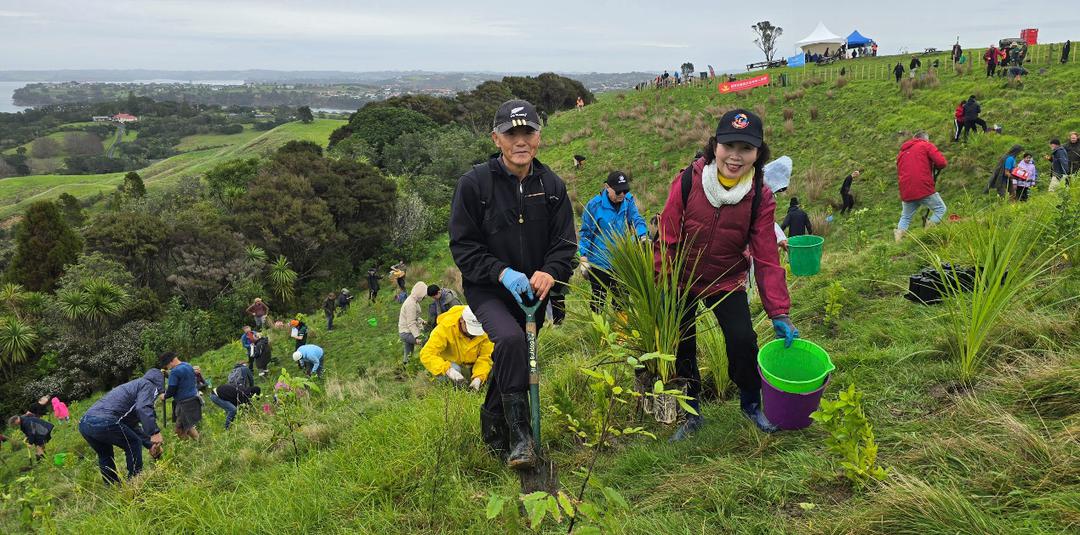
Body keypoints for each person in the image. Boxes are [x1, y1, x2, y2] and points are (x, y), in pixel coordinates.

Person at [449, 99, 576, 470]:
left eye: (528, 132)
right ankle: (522, 439)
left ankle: (492, 434)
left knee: (512, 356)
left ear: (538, 137)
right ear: (496, 139)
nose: (520, 141)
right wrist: (501, 272)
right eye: (511, 133)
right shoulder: (475, 184)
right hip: (489, 288)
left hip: (532, 292)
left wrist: (550, 271)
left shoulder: (552, 186)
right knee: (509, 341)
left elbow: (565, 244)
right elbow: (463, 246)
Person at [655, 109, 797, 440]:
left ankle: (751, 404)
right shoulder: (688, 181)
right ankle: (690, 413)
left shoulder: (760, 195)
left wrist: (779, 311)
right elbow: (666, 238)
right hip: (682, 279)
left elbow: (766, 256)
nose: (735, 156)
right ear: (714, 146)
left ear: (758, 154)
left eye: (746, 149)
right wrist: (663, 285)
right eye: (728, 146)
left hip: (726, 279)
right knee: (681, 345)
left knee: (743, 341)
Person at [578, 170, 649, 313]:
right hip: (600, 263)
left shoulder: (628, 201)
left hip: (621, 260)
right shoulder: (594, 206)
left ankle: (620, 326)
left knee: (622, 301)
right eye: (618, 191)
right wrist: (583, 258)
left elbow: (636, 219)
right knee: (598, 301)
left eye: (625, 190)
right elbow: (586, 233)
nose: (622, 194)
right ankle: (598, 326)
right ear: (607, 187)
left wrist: (642, 235)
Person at [79, 369, 165, 484]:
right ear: (159, 382)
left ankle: (111, 485)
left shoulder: (133, 386)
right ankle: (135, 481)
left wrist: (149, 444)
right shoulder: (149, 385)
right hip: (104, 420)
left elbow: (130, 424)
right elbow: (143, 408)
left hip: (84, 423)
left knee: (105, 454)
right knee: (133, 443)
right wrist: (154, 432)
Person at [419, 305, 493, 390]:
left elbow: (485, 357)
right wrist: (449, 371)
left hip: (473, 365)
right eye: (470, 328)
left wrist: (478, 378)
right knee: (454, 369)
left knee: (494, 368)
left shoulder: (486, 329)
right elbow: (427, 354)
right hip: (452, 365)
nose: (473, 334)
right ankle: (450, 391)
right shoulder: (446, 327)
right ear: (462, 320)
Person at [894, 132, 948, 242]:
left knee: (906, 216)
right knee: (940, 209)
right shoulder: (926, 145)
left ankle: (898, 238)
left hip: (906, 189)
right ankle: (929, 230)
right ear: (925, 139)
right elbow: (942, 163)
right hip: (923, 186)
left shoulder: (902, 152)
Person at [160, 352, 201, 440]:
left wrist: (164, 396)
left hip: (184, 403)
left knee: (179, 429)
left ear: (171, 361)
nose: (167, 368)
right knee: (188, 425)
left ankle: (190, 445)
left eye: (167, 365)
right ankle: (198, 442)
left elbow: (172, 390)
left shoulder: (174, 371)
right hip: (194, 399)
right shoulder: (188, 365)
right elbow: (182, 379)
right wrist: (167, 375)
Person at [398, 281, 428, 366]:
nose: (425, 297)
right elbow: (411, 322)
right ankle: (427, 361)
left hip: (407, 330)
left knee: (409, 351)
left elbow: (415, 317)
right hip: (406, 332)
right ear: (420, 293)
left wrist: (422, 321)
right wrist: (417, 336)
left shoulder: (413, 300)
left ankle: (406, 365)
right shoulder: (411, 304)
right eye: (424, 295)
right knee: (425, 341)